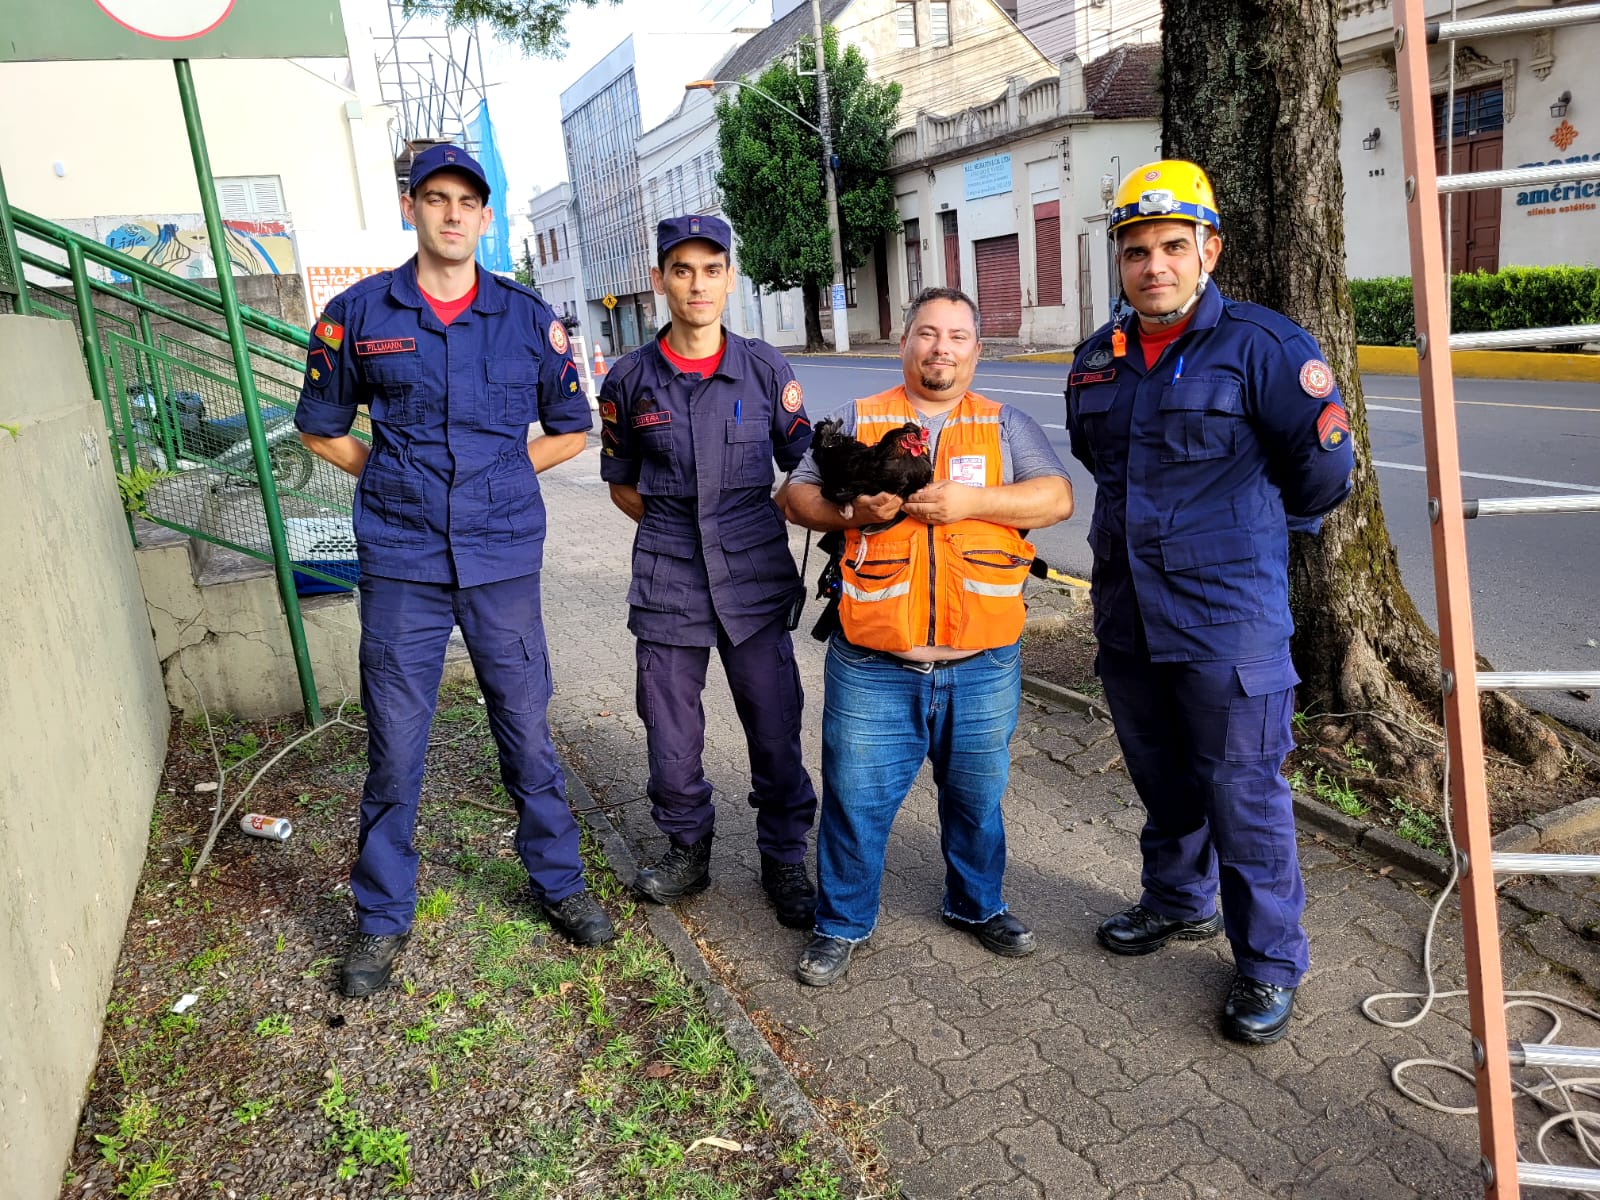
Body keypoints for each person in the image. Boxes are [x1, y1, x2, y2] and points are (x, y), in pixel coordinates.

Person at [296, 143, 614, 999]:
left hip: (502, 554)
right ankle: (379, 918)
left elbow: (570, 427)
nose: (449, 214)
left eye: (465, 201)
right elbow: (321, 426)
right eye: (433, 199)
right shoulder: (358, 313)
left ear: (483, 216)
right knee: (396, 744)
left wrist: (504, 476)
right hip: (402, 559)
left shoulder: (524, 317)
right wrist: (392, 478)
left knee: (526, 727)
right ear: (411, 208)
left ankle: (559, 883)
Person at [1065, 159, 1355, 1044]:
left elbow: (1324, 473)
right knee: (1161, 776)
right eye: (1136, 250)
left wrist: (1244, 534)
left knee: (1245, 795)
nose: (1154, 265)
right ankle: (1177, 901)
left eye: (1172, 247)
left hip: (1230, 622)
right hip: (1128, 613)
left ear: (1209, 250)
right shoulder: (1096, 361)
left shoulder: (1265, 348)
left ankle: (1268, 964)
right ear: (1120, 261)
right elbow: (1100, 462)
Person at [777, 286, 1075, 986]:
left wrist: (974, 501)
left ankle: (977, 905)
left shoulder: (1006, 426)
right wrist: (850, 514)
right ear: (905, 341)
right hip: (875, 661)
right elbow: (793, 495)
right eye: (927, 333)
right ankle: (840, 923)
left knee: (977, 800)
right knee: (855, 800)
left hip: (983, 663)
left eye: (957, 336)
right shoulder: (860, 416)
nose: (941, 347)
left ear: (976, 349)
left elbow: (1056, 498)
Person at [597, 214, 819, 929]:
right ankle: (687, 847)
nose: (697, 284)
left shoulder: (764, 369)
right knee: (668, 729)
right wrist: (681, 531)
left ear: (729, 277)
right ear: (660, 279)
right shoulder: (629, 380)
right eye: (682, 270)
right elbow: (622, 481)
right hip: (668, 574)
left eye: (711, 269)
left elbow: (804, 465)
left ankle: (784, 854)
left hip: (753, 571)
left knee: (774, 723)